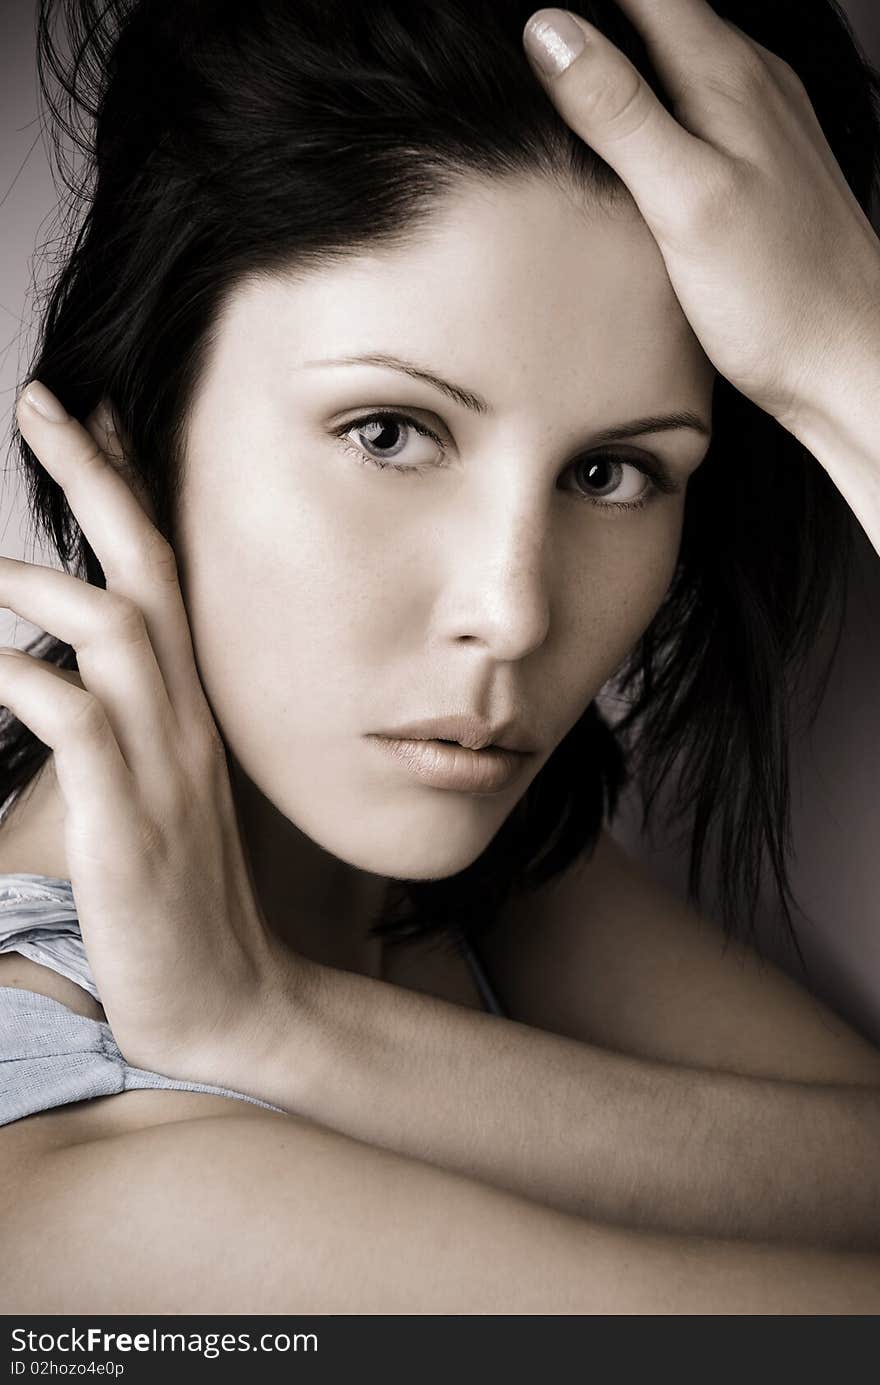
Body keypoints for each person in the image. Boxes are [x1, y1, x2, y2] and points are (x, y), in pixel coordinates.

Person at [1, 0, 880, 1313]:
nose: (513, 610)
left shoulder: (420, 862)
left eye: (611, 469)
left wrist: (284, 1027)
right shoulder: (104, 1199)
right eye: (389, 432)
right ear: (132, 434)